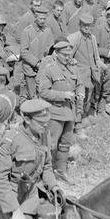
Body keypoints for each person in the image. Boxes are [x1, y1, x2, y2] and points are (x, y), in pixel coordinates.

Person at [0, 98, 59, 219]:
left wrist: (54, 186)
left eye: (47, 121)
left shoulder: (43, 135)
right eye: (41, 122)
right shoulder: (10, 140)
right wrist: (15, 211)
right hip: (10, 198)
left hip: (32, 196)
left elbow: (46, 166)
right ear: (27, 119)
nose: (45, 125)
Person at [36, 40, 83, 180]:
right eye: (64, 55)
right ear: (56, 54)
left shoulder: (73, 68)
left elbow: (80, 84)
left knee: (65, 143)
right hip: (55, 113)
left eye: (69, 54)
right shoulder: (49, 69)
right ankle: (44, 172)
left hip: (70, 112)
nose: (68, 58)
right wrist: (63, 95)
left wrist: (81, 93)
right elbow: (43, 92)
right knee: (49, 145)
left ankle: (61, 170)